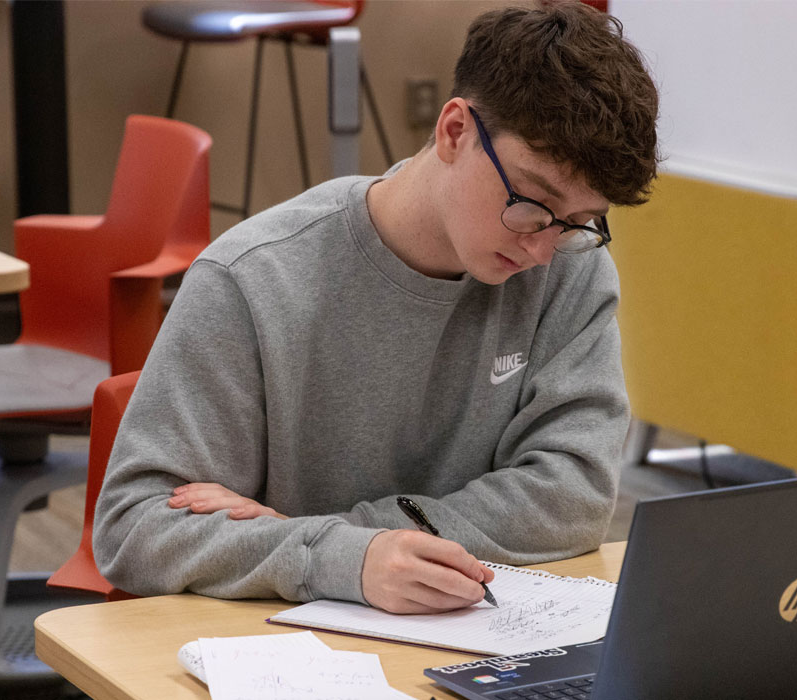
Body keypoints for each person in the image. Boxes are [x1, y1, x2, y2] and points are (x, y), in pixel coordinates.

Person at [93, 2, 659, 615]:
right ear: (454, 132)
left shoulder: (574, 268)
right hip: (280, 652)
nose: (545, 248)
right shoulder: (253, 278)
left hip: (466, 628)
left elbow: (574, 499)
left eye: (579, 222)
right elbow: (134, 526)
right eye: (531, 202)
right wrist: (344, 559)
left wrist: (339, 542)